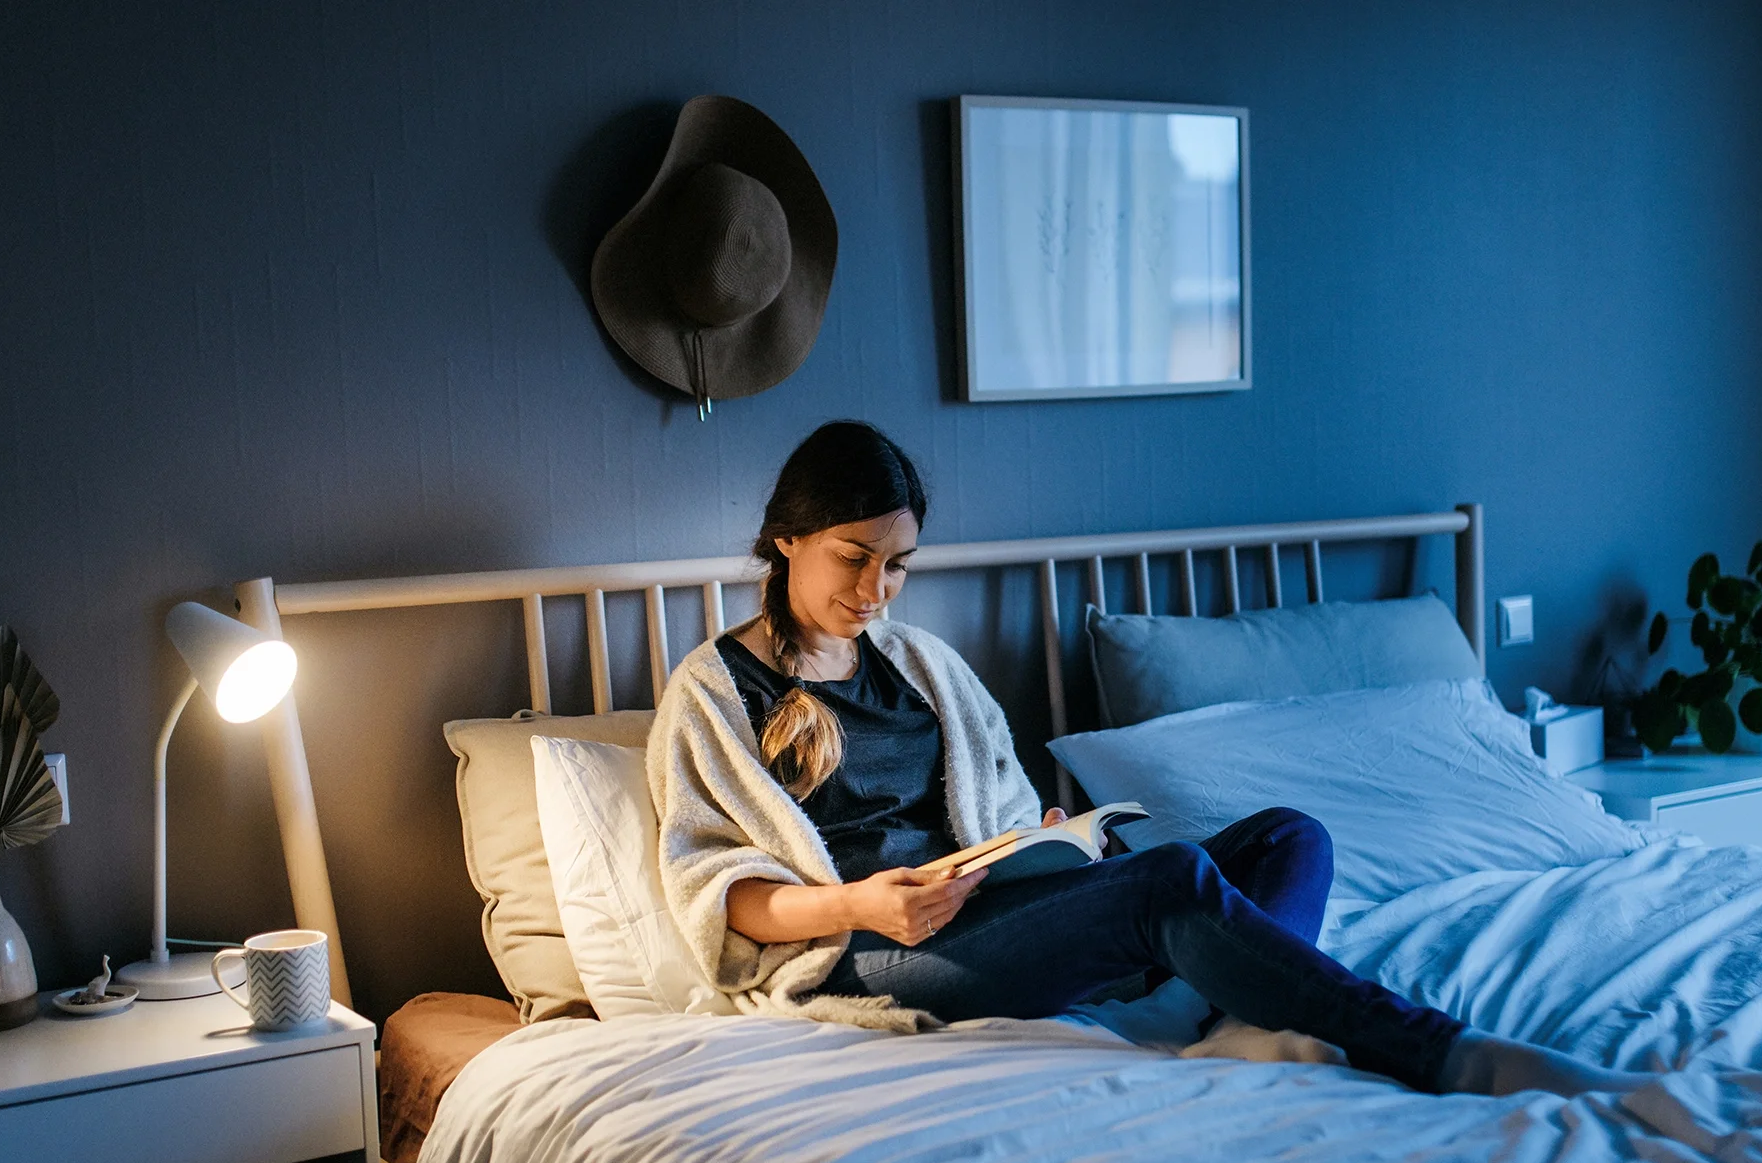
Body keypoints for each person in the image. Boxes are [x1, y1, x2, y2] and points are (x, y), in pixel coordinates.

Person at [645, 421, 1653, 1096]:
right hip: (866, 951)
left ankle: (1216, 1007)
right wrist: (861, 907)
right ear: (786, 541)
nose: (876, 588)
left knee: (1287, 837)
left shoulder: (921, 665)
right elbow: (717, 886)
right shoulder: (713, 691)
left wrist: (1038, 837)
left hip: (982, 907)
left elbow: (990, 804)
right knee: (1174, 882)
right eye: (852, 557)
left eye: (897, 563)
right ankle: (1443, 1050)